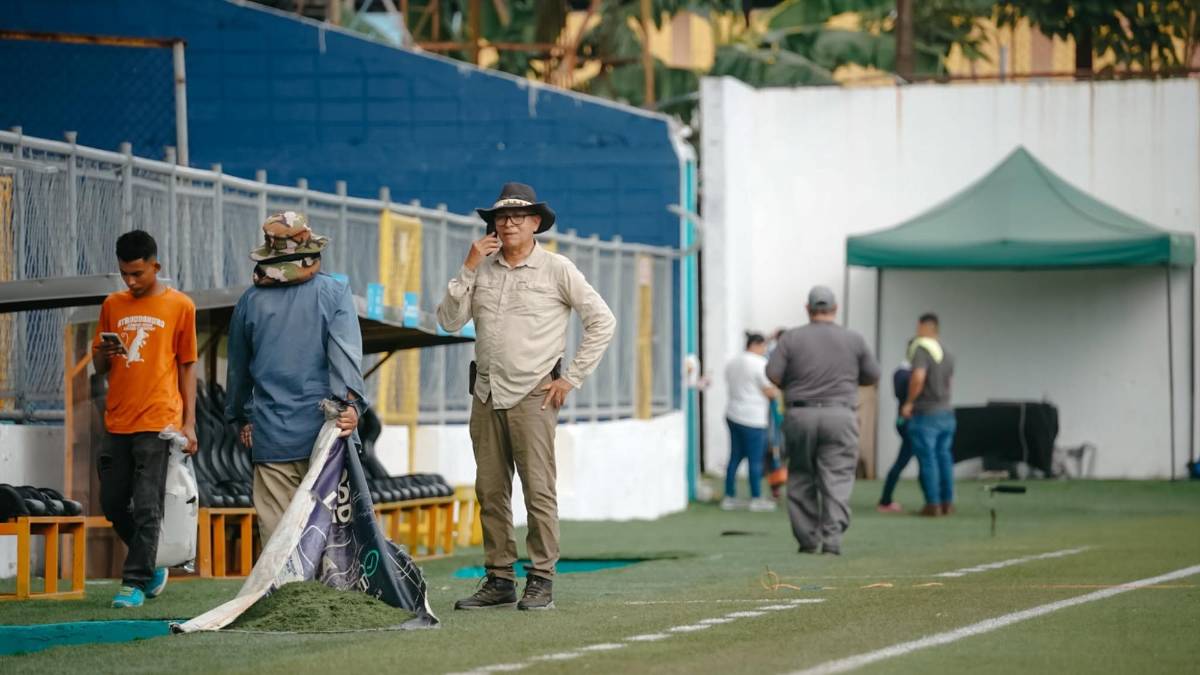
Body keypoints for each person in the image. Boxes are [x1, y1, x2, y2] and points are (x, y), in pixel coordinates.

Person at [438, 182, 615, 611]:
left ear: (536, 222)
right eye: (501, 217)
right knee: (490, 491)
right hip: (485, 392)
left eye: (519, 216)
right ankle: (499, 579)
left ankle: (541, 579)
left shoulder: (558, 269)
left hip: (535, 394)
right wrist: (468, 265)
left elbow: (602, 322)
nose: (509, 222)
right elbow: (447, 320)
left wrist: (569, 379)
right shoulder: (480, 269)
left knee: (538, 491)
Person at [225, 211, 365, 545]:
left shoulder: (249, 301)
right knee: (330, 535)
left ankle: (281, 594)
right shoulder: (334, 292)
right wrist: (353, 407)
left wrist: (243, 416)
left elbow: (238, 369)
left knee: (277, 539)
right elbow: (345, 357)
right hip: (328, 432)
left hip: (271, 434)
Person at [93, 230, 198, 608]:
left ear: (156, 266)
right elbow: (99, 366)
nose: (131, 281)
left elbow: (187, 366)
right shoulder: (112, 304)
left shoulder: (180, 306)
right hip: (118, 420)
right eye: (125, 274)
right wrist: (104, 352)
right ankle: (151, 562)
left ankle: (134, 581)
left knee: (148, 503)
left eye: (138, 273)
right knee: (113, 502)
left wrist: (189, 424)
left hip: (159, 421)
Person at [766, 286, 879, 555]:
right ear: (835, 308)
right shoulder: (854, 339)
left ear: (808, 309)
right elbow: (872, 375)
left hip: (800, 414)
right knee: (837, 477)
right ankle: (832, 539)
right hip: (840, 414)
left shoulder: (791, 339)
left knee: (802, 475)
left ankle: (807, 539)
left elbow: (773, 374)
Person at [901, 313, 957, 517]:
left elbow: (918, 376)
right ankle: (947, 502)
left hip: (926, 413)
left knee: (928, 459)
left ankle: (932, 504)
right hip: (946, 412)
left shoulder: (922, 349)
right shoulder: (947, 351)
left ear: (923, 326)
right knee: (944, 458)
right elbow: (950, 382)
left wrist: (909, 402)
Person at [722, 333, 780, 512]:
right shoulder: (759, 364)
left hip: (732, 414)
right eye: (763, 347)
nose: (764, 351)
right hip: (753, 418)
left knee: (735, 457)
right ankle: (756, 498)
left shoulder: (732, 363)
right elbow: (770, 392)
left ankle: (729, 496)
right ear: (756, 345)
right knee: (756, 459)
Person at [877, 338, 918, 513]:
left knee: (919, 461)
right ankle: (885, 500)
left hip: (910, 422)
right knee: (903, 461)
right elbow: (901, 395)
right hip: (907, 422)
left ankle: (934, 500)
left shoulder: (907, 372)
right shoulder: (903, 374)